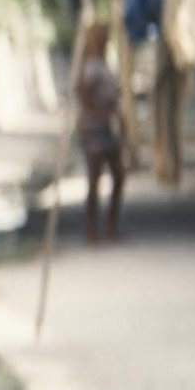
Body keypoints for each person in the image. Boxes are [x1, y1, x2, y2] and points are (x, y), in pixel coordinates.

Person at [75, 22, 124, 243]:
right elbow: (83, 93)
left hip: (104, 128)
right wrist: (103, 112)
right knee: (96, 179)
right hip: (95, 128)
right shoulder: (92, 66)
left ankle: (108, 225)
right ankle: (93, 229)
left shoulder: (101, 63)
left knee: (117, 175)